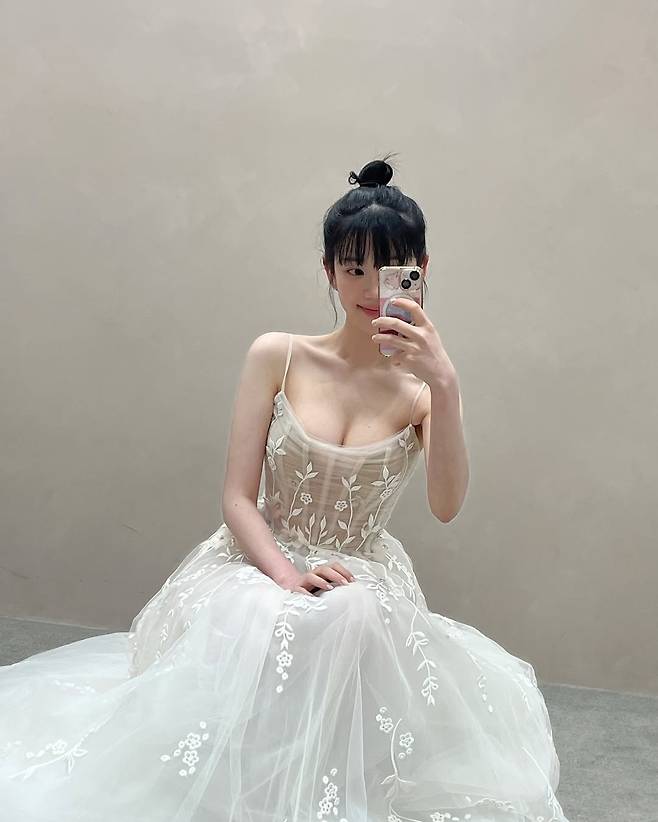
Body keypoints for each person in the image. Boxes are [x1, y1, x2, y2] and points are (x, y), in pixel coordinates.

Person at [0, 156, 570, 822]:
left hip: (361, 575)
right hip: (257, 559)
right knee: (265, 618)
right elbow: (237, 497)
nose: (368, 288)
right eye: (352, 269)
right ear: (328, 271)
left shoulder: (423, 391)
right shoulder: (279, 354)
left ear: (419, 268)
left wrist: (445, 383)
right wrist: (286, 577)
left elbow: (446, 507)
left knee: (352, 615)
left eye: (388, 269)